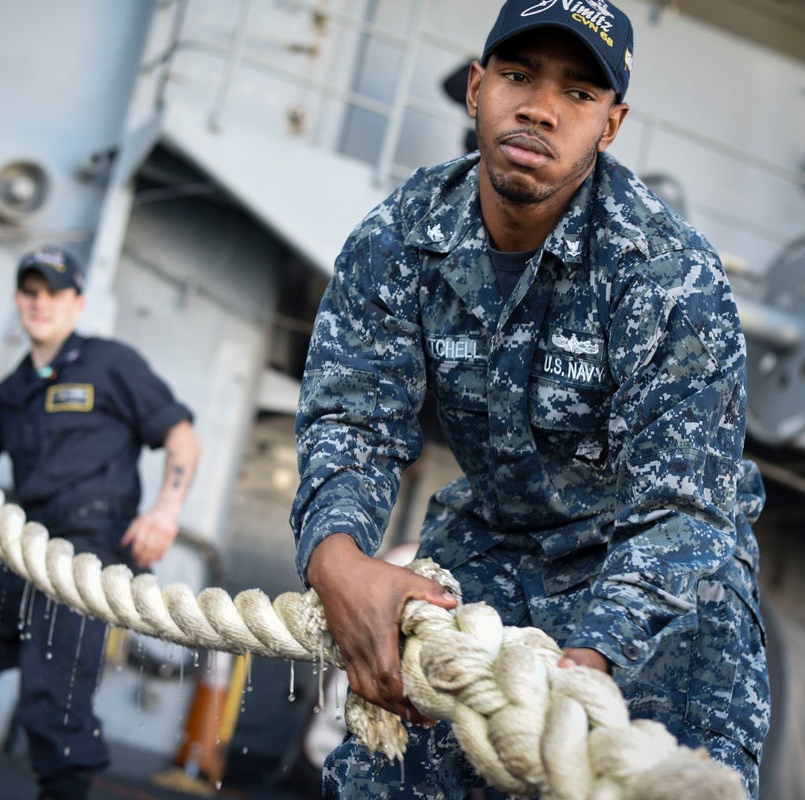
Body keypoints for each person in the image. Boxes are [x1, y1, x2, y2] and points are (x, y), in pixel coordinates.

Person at [290, 2, 769, 799]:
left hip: (659, 579)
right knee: (380, 782)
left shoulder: (667, 274)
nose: (541, 107)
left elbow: (683, 511)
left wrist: (579, 668)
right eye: (517, 76)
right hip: (500, 544)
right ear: (478, 87)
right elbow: (353, 418)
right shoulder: (401, 237)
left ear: (610, 126)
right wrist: (335, 556)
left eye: (578, 94)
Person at [0, 246, 201, 800]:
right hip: (27, 554)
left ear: (77, 302)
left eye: (54, 293)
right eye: (31, 292)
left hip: (89, 553)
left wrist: (167, 511)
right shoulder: (17, 387)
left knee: (53, 706)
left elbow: (181, 435)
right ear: (18, 300)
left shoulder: (110, 363)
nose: (41, 303)